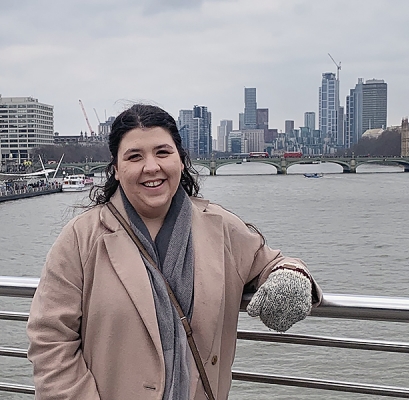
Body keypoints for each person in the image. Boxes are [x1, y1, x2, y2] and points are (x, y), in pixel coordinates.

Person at [26, 104, 322, 400]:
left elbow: (273, 263)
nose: (151, 166)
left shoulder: (221, 228)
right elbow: (51, 338)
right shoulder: (81, 238)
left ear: (181, 161)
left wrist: (290, 278)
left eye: (162, 152)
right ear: (116, 169)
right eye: (134, 156)